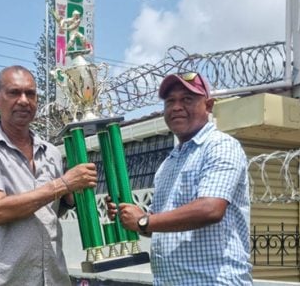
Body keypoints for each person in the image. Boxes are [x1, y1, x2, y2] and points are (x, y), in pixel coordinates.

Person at [107, 72, 252, 285]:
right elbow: (159, 228)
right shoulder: (169, 163)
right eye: (170, 101)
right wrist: (132, 217)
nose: (176, 107)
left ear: (208, 105)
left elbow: (210, 209)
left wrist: (143, 220)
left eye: (187, 99)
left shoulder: (220, 145)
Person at [0, 65, 98, 285]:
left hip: (53, 278)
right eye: (14, 92)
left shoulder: (51, 152)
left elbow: (50, 212)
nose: (24, 100)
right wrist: (63, 184)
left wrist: (72, 196)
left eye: (30, 94)